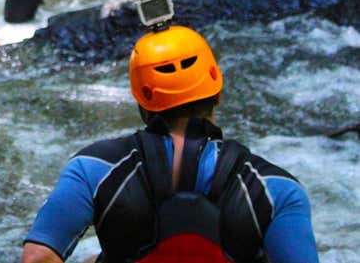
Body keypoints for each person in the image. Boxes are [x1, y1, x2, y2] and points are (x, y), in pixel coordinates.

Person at [21, 25, 319, 263]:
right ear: (218, 94)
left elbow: (38, 257)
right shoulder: (277, 188)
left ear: (142, 100)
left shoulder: (94, 168)